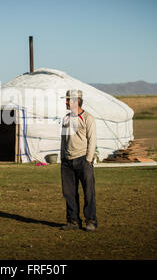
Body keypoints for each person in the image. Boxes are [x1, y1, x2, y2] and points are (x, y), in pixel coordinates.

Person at [60, 89, 98, 232]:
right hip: (67, 161)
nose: (66, 102)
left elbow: (92, 139)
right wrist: (63, 157)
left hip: (83, 159)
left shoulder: (88, 118)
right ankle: (73, 221)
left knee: (88, 192)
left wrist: (89, 159)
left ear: (76, 101)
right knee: (69, 193)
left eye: (68, 100)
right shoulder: (66, 118)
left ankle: (91, 221)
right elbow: (63, 139)